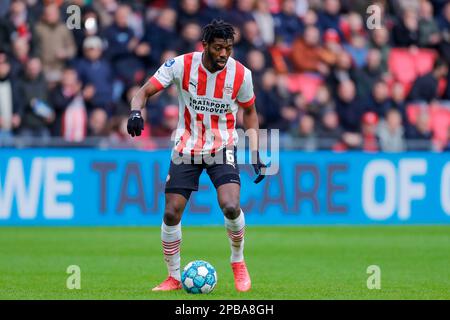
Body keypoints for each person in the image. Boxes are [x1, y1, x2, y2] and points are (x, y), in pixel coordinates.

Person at [127, 20, 266, 292]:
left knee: (230, 204)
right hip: (186, 147)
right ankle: (174, 277)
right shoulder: (180, 65)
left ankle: (237, 261)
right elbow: (143, 92)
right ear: (205, 46)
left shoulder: (241, 75)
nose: (224, 54)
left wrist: (255, 149)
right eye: (218, 48)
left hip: (222, 145)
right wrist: (135, 112)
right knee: (171, 211)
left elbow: (249, 112)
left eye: (228, 48)